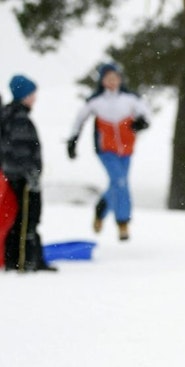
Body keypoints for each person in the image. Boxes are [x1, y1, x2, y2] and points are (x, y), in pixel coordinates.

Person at [67, 63, 151, 241]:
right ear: (102, 81)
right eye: (108, 78)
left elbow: (145, 114)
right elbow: (79, 119)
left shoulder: (130, 98)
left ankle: (101, 210)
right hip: (106, 150)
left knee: (118, 184)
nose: (112, 82)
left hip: (126, 150)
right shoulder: (96, 101)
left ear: (120, 79)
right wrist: (73, 141)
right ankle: (123, 223)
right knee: (120, 182)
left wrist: (141, 123)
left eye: (115, 78)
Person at [1, 74, 56, 273]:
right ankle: (25, 261)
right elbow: (20, 150)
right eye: (32, 94)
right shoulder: (19, 119)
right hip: (23, 178)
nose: (35, 98)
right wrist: (31, 173)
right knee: (28, 218)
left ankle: (16, 259)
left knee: (19, 217)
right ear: (23, 95)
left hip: (13, 175)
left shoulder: (10, 114)